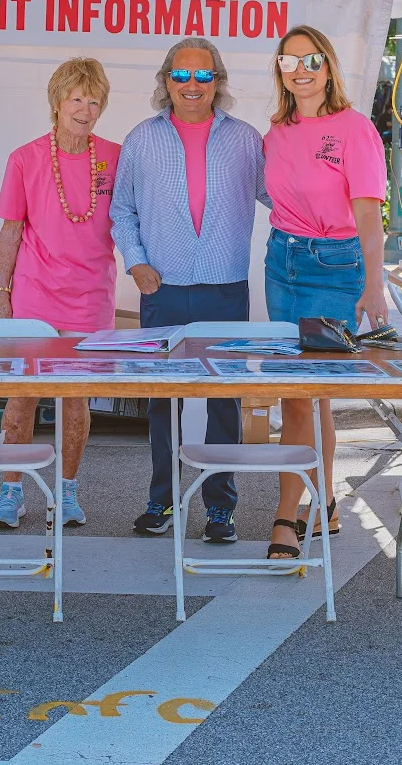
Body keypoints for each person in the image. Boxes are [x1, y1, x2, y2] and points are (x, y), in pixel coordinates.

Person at [112, 37, 266, 544]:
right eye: (181, 75)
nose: (192, 85)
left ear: (218, 81)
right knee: (164, 398)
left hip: (225, 286)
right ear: (166, 81)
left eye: (203, 75)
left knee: (223, 398)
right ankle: (162, 500)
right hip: (163, 286)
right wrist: (136, 262)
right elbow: (122, 210)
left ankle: (221, 507)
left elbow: (280, 195)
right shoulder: (141, 139)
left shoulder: (245, 139)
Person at [259, 26, 389, 560]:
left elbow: (369, 214)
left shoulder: (355, 128)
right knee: (304, 395)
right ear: (280, 71)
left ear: (329, 65)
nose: (301, 70)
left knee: (307, 391)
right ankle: (325, 501)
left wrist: (374, 283)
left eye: (311, 60)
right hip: (282, 262)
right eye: (289, 61)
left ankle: (286, 518)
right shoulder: (275, 131)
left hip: (335, 267)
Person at [0, 57, 119, 530]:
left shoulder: (115, 156)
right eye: (76, 99)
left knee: (75, 398)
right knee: (22, 396)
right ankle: (11, 490)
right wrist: (1, 295)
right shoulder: (25, 158)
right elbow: (11, 230)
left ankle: (67, 491)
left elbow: (131, 218)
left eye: (94, 101)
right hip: (35, 294)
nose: (85, 110)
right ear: (57, 103)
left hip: (90, 297)